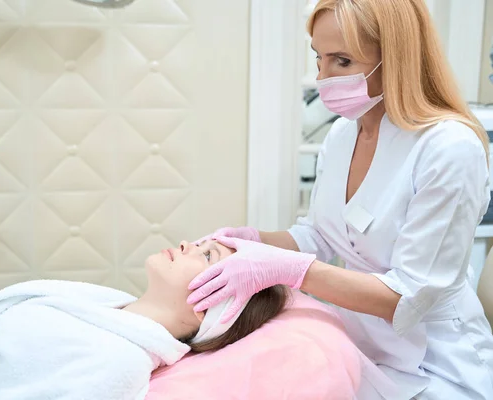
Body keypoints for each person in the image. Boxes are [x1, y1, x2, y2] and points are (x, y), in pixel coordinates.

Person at [187, 0, 493, 399]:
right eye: (319, 59)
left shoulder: (448, 148)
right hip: (357, 345)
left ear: (396, 58)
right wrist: (250, 240)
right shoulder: (343, 135)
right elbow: (317, 235)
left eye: (342, 61)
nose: (323, 78)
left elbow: (406, 296)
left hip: (433, 361)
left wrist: (287, 269)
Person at [0, 239, 287, 400]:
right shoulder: (103, 305)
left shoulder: (116, 364)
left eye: (206, 256)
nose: (187, 243)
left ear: (216, 308)